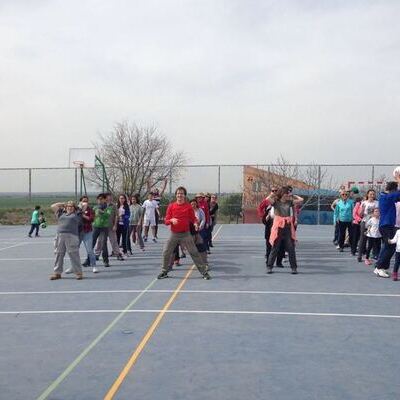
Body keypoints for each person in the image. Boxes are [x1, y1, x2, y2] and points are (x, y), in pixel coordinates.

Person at [157, 186, 211, 280]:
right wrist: (171, 220)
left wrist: (195, 224)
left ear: (184, 195)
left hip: (186, 234)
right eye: (178, 193)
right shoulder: (171, 206)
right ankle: (164, 271)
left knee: (194, 252)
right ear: (176, 195)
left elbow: (193, 219)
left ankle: (204, 272)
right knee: (166, 252)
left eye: (181, 193)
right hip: (174, 234)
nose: (179, 195)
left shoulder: (188, 206)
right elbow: (166, 221)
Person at [266, 186, 303, 274]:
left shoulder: (289, 202)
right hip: (278, 226)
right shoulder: (276, 202)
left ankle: (294, 268)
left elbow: (301, 200)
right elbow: (267, 199)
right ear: (282, 194)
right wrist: (274, 193)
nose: (287, 195)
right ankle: (269, 266)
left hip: (287, 226)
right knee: (275, 247)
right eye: (286, 193)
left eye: (288, 193)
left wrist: (293, 195)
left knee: (291, 248)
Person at [49, 201, 83, 280]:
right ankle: (57, 273)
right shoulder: (61, 214)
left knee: (73, 254)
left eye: (71, 206)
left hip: (71, 236)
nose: (69, 208)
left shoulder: (77, 214)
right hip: (60, 236)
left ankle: (78, 272)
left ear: (74, 208)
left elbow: (82, 206)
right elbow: (53, 205)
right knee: (59, 254)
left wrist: (77, 206)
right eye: (68, 206)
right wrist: (63, 203)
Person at [374, 181, 400, 278]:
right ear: (393, 189)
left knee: (389, 247)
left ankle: (382, 267)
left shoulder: (387, 197)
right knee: (389, 247)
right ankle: (379, 267)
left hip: (387, 225)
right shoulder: (386, 197)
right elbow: (398, 194)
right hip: (386, 225)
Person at [357, 189, 378, 262]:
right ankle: (359, 255)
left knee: (374, 239)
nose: (372, 195)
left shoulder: (377, 203)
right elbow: (360, 214)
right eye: (370, 194)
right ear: (367, 195)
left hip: (374, 224)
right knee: (363, 239)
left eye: (373, 194)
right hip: (365, 222)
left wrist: (373, 215)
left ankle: (374, 255)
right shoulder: (364, 203)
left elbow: (378, 213)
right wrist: (362, 209)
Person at [92, 193, 112, 268]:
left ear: (104, 199)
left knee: (104, 244)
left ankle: (106, 261)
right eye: (98, 199)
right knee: (92, 243)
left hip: (104, 227)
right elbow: (92, 216)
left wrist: (102, 212)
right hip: (96, 226)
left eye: (101, 199)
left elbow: (108, 215)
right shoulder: (95, 207)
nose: (100, 200)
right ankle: (89, 260)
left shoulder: (108, 207)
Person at [78, 196, 98, 273]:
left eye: (86, 201)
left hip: (87, 232)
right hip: (78, 233)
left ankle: (94, 266)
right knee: (74, 250)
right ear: (80, 202)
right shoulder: (77, 210)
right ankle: (74, 266)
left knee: (89, 250)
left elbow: (91, 219)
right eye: (83, 201)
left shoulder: (90, 210)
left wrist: (82, 215)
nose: (85, 203)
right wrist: (80, 211)